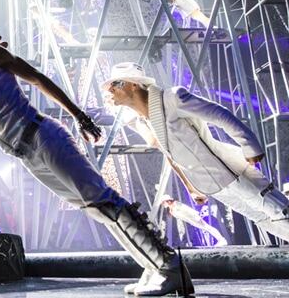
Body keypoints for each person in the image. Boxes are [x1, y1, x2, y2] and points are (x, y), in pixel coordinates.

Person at [0, 19, 194, 297]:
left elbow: (36, 78)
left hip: (42, 137)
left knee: (103, 199)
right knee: (94, 207)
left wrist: (78, 115)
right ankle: (152, 264)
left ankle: (169, 265)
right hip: (26, 154)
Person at [102, 62, 289, 246]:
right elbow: (169, 154)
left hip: (229, 170)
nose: (110, 90)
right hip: (209, 183)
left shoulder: (172, 98)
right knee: (262, 218)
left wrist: (250, 146)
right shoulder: (144, 121)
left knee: (278, 211)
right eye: (110, 86)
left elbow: (219, 114)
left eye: (116, 84)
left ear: (134, 84)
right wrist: (191, 186)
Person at [160, 194, 227, 247]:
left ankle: (221, 239)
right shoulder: (171, 209)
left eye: (163, 202)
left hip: (194, 217)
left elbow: (187, 209)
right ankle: (221, 240)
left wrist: (196, 216)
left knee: (207, 227)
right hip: (191, 220)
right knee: (206, 228)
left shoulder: (176, 204)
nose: (163, 204)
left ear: (167, 201)